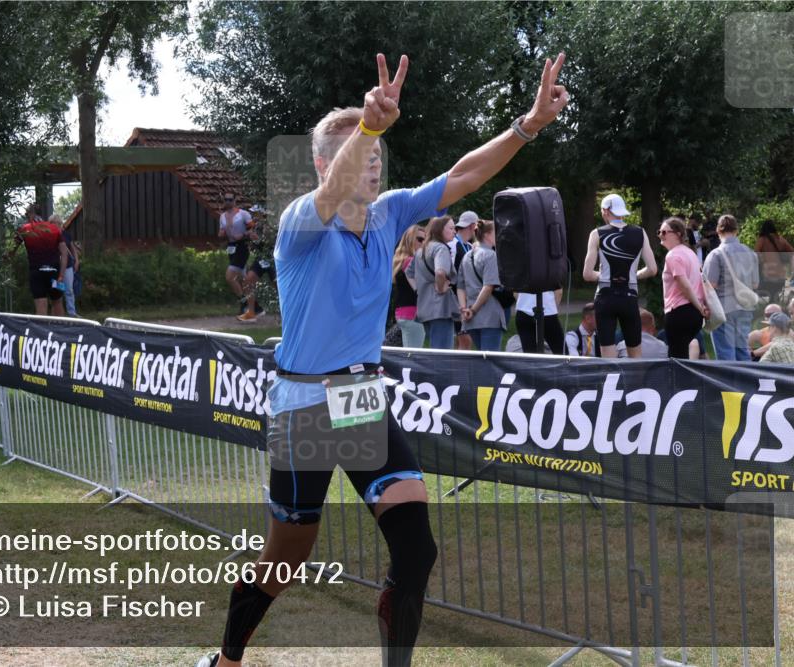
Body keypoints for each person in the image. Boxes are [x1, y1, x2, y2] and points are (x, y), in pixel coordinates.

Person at [197, 51, 569, 667]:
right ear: (324, 164)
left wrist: (527, 124)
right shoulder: (301, 223)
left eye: (377, 153)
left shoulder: (394, 210)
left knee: (416, 549)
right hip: (305, 403)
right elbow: (336, 184)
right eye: (358, 153)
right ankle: (228, 659)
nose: (371, 162)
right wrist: (367, 125)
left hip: (360, 398)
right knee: (288, 554)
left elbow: (466, 173)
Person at [582, 193, 658, 358]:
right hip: (629, 297)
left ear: (606, 211)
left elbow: (587, 274)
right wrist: (633, 276)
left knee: (608, 359)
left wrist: (604, 276)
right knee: (635, 356)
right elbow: (652, 269)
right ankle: (637, 384)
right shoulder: (640, 233)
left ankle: (611, 383)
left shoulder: (597, 234)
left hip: (605, 297)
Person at [703, 214, 760, 361]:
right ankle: (747, 383)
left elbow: (710, 285)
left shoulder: (716, 254)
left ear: (718, 230)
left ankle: (729, 384)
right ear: (737, 230)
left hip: (723, 309)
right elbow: (755, 284)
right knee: (742, 351)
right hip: (745, 307)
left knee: (725, 352)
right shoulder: (751, 253)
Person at [5, 204, 68, 316]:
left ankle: (42, 333)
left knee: (41, 304)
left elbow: (10, 250)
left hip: (36, 273)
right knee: (57, 302)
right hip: (55, 272)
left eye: (26, 214)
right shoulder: (54, 229)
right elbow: (64, 253)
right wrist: (61, 275)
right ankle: (60, 331)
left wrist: (6, 257)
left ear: (31, 214)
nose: (26, 216)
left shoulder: (24, 229)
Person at [658, 217, 708, 359]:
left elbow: (684, 284)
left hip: (679, 312)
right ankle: (687, 380)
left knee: (676, 359)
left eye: (664, 232)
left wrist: (700, 307)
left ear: (678, 234)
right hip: (694, 315)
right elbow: (699, 283)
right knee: (684, 354)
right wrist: (701, 307)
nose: (661, 235)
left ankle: (682, 382)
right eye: (659, 232)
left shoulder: (673, 255)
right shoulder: (691, 254)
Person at [409, 216, 459, 349]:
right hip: (440, 308)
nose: (455, 231)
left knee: (434, 348)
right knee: (443, 353)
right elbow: (440, 272)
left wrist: (418, 289)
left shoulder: (421, 250)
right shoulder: (441, 248)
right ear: (440, 229)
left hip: (425, 306)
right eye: (451, 228)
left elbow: (409, 273)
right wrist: (440, 286)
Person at [458, 220, 507, 352]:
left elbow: (460, 286)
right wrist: (473, 310)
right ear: (487, 235)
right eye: (496, 232)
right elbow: (488, 287)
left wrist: (464, 309)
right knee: (490, 360)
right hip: (488, 315)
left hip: (470, 319)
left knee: (482, 358)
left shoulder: (467, 256)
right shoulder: (491, 256)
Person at [218, 192, 255, 313]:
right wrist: (221, 234)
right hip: (231, 247)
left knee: (230, 276)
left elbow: (253, 229)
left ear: (235, 200)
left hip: (242, 247)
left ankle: (243, 301)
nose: (227, 202)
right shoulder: (222, 216)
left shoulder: (243, 214)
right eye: (225, 200)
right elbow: (222, 231)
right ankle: (254, 307)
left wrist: (243, 234)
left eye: (230, 199)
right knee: (243, 279)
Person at [391, 224, 425, 347]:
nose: (423, 243)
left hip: (402, 313)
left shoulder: (401, 261)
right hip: (412, 314)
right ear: (410, 240)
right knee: (413, 357)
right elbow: (421, 287)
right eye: (420, 239)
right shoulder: (411, 261)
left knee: (408, 355)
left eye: (425, 240)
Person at [237, 207, 271, 323]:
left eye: (256, 213)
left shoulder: (271, 225)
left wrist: (260, 239)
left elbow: (272, 242)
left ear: (263, 214)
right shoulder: (254, 226)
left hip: (273, 259)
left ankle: (288, 314)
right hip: (261, 258)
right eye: (253, 213)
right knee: (248, 281)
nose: (254, 215)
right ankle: (251, 313)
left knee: (280, 286)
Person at [449, 211, 478, 350]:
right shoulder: (454, 244)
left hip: (465, 299)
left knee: (464, 341)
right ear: (473, 226)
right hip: (457, 300)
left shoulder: (470, 246)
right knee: (465, 340)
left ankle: (454, 370)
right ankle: (459, 370)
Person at [514, 288, 565, 354]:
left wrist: (525, 305)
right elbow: (558, 292)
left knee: (530, 354)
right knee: (562, 353)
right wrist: (552, 308)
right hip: (548, 312)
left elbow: (515, 292)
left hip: (523, 311)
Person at [754, 220, 794, 303]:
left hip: (767, 275)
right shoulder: (780, 239)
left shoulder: (762, 240)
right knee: (775, 296)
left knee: (764, 294)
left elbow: (755, 256)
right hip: (781, 276)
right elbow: (791, 252)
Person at [49, 214, 79, 317]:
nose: (54, 225)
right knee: (57, 290)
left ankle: (72, 312)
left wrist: (76, 261)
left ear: (60, 223)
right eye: (52, 223)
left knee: (69, 290)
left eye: (56, 223)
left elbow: (73, 249)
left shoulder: (66, 235)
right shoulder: (49, 236)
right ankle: (58, 313)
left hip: (68, 267)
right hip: (55, 267)